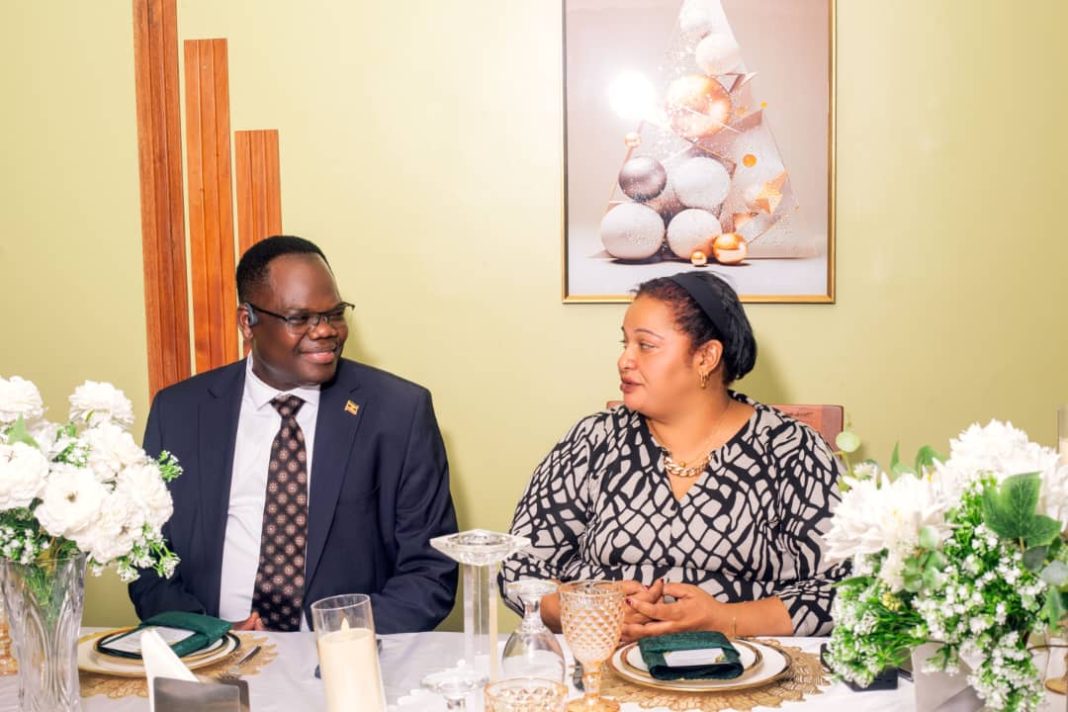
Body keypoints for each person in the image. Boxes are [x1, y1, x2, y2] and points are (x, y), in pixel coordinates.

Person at [130, 235, 458, 633]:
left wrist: (334, 640)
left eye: (334, 314)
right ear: (247, 322)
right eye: (300, 319)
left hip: (345, 654)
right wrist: (210, 638)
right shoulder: (179, 411)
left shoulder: (398, 413)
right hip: (209, 653)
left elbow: (430, 571)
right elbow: (148, 561)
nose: (325, 331)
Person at [501, 272, 847, 640]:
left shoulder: (792, 449)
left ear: (706, 357)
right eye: (625, 343)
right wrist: (583, 610)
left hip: (747, 662)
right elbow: (517, 565)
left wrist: (726, 620)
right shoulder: (593, 440)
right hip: (603, 661)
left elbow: (848, 586)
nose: (624, 360)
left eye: (646, 345)